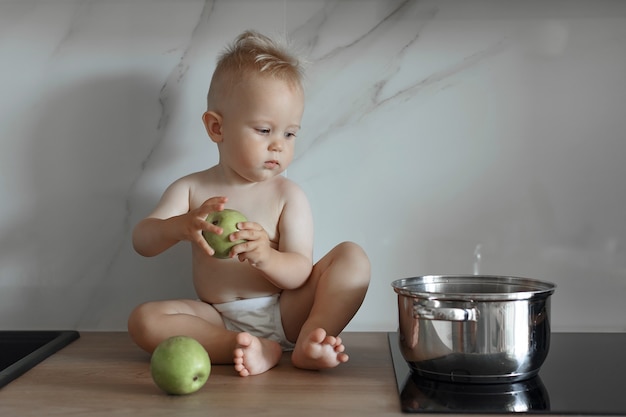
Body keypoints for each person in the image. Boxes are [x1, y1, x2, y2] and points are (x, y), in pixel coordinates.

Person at [127, 30, 371, 377]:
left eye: (289, 133)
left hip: (286, 311)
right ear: (217, 127)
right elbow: (142, 241)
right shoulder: (191, 189)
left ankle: (311, 339)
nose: (278, 145)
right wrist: (180, 226)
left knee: (353, 258)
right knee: (143, 320)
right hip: (217, 317)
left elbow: (300, 271)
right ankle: (241, 346)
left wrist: (265, 257)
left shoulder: (288, 195)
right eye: (263, 130)